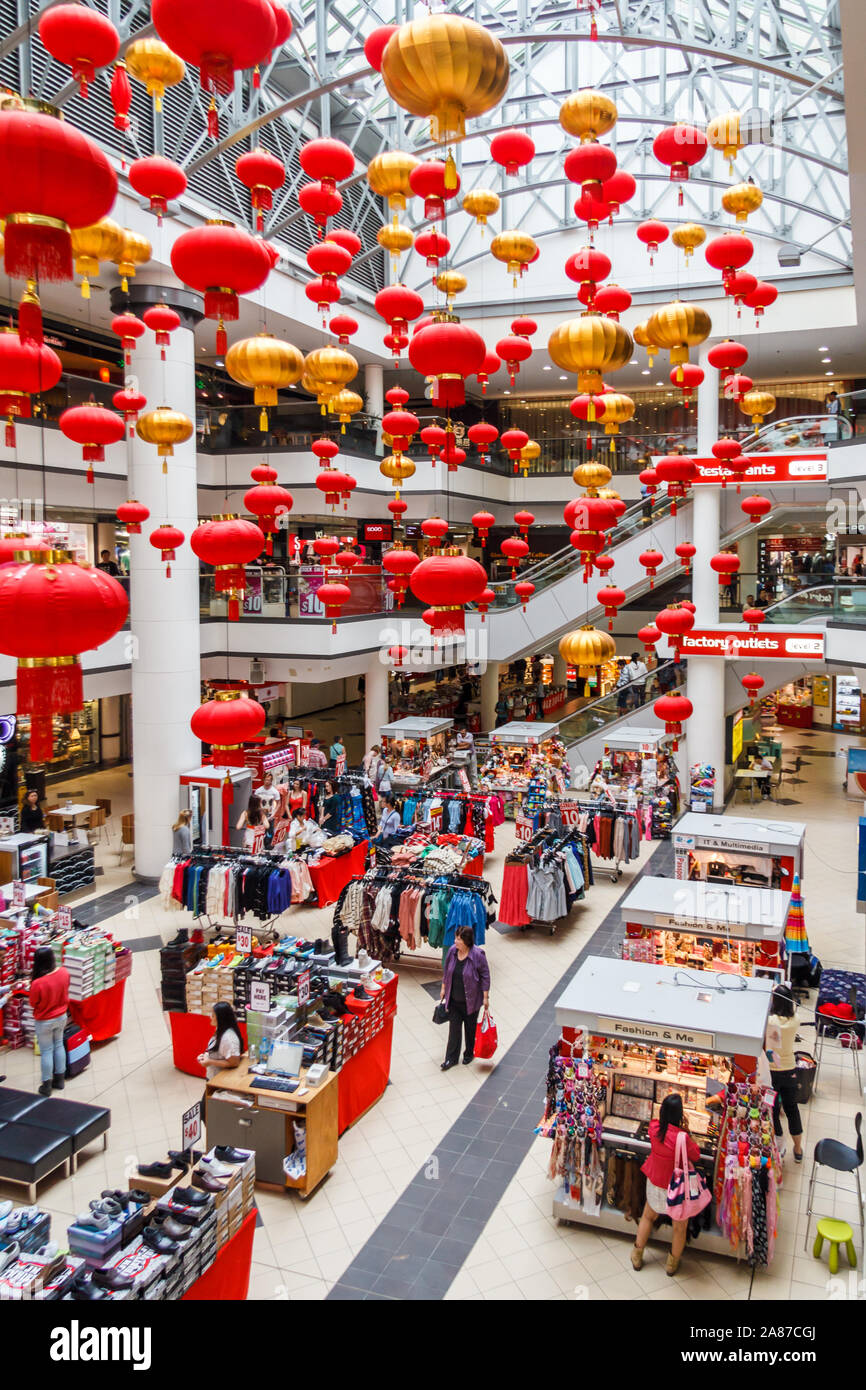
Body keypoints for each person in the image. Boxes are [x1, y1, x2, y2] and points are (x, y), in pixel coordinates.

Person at [631, 1093, 701, 1276]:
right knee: (679, 1227)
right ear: (680, 1115)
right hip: (676, 1188)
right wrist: (685, 1130)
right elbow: (696, 1155)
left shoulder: (654, 1128)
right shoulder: (682, 1138)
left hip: (655, 1182)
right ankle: (671, 1264)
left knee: (648, 1216)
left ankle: (637, 1254)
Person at [439, 925, 491, 1071]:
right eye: (456, 938)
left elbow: (485, 976)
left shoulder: (478, 955)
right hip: (454, 1000)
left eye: (458, 939)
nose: (455, 941)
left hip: (471, 1001)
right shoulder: (452, 952)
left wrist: (485, 997)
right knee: (454, 1030)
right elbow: (447, 971)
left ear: (467, 941)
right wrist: (443, 988)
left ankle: (469, 1053)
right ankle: (450, 1058)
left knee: (470, 1029)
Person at [765, 986, 804, 1162]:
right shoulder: (795, 1020)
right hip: (789, 1070)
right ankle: (798, 1148)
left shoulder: (770, 1020)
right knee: (792, 1109)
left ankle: (779, 1146)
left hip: (771, 1073)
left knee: (772, 1110)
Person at [29, 946, 71, 1096]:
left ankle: (46, 1085)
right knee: (59, 1045)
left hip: (44, 1020)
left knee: (47, 1051)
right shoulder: (64, 972)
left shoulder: (37, 983)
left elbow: (33, 1003)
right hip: (61, 1016)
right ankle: (59, 1080)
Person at [197, 1002, 243, 1080]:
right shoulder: (221, 1029)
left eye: (213, 1015)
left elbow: (234, 1062)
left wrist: (210, 1061)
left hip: (220, 1080)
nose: (210, 1017)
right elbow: (216, 1049)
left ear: (221, 1018)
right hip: (213, 1076)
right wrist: (205, 1055)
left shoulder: (229, 1039)